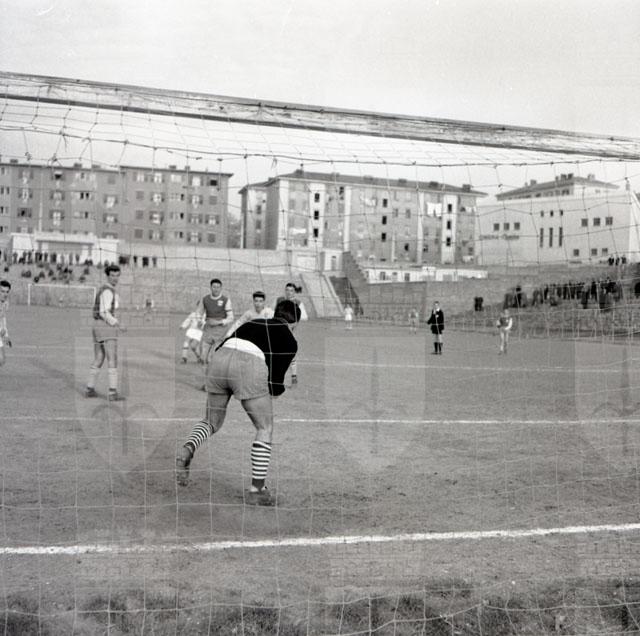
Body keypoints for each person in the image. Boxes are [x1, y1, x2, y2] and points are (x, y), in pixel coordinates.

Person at [175, 299, 301, 506]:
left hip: (220, 359)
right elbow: (275, 385)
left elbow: (225, 343)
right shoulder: (290, 339)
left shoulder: (253, 322)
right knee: (265, 427)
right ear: (295, 323)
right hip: (248, 363)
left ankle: (188, 447)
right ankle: (257, 490)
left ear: (274, 313)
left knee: (211, 421)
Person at [85, 264, 127, 400]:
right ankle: (112, 392)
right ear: (107, 276)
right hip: (105, 326)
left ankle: (90, 388)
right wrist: (117, 323)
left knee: (99, 357)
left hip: (97, 325)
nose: (115, 278)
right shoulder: (108, 291)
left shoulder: (104, 290)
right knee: (112, 358)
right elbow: (104, 312)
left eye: (117, 275)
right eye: (112, 275)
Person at [274, 283, 308, 384]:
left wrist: (292, 315)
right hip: (278, 332)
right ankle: (277, 377)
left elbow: (305, 317)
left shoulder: (298, 303)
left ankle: (294, 377)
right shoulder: (279, 300)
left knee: (291, 355)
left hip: (291, 332)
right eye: (287, 290)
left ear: (294, 292)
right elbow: (273, 312)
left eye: (291, 290)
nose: (289, 292)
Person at [198, 278, 234, 363]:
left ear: (221, 288)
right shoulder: (205, 299)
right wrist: (200, 321)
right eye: (214, 287)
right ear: (210, 287)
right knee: (203, 357)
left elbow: (231, 318)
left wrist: (218, 322)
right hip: (208, 329)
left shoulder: (226, 300)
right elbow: (199, 313)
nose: (216, 289)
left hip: (220, 331)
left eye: (218, 287)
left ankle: (213, 367)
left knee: (212, 358)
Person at [0, 280, 12, 367]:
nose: (5, 294)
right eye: (2, 291)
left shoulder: (5, 303)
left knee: (2, 360)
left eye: (7, 292)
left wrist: (6, 334)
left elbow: (3, 317)